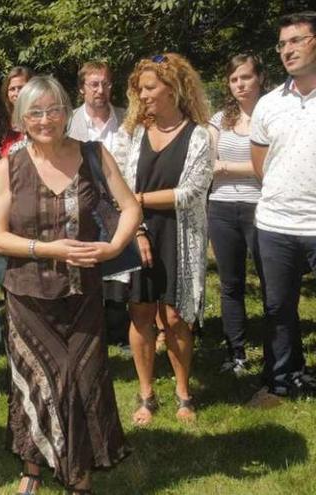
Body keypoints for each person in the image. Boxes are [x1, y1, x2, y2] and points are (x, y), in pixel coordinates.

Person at [0, 75, 137, 495]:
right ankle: (34, 466)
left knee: (82, 380)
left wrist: (112, 249)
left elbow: (130, 208)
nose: (46, 119)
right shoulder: (9, 166)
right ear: (21, 117)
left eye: (54, 109)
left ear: (66, 111)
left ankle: (77, 471)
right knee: (38, 380)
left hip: (83, 293)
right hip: (28, 296)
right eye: (35, 112)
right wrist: (47, 248)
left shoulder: (94, 155)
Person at [117, 53, 212, 425]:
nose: (142, 95)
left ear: (174, 88)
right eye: (139, 89)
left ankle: (183, 392)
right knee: (140, 312)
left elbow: (190, 192)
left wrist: (137, 201)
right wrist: (137, 228)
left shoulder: (199, 135)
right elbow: (122, 186)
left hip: (180, 234)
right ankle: (146, 394)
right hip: (141, 231)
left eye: (150, 87)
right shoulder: (137, 133)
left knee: (175, 317)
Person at [248, 11, 316, 407]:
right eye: (282, 44)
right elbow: (262, 164)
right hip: (275, 224)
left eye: (296, 40)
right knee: (277, 308)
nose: (287, 50)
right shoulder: (269, 104)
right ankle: (280, 381)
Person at [207, 54, 267, 377]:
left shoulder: (270, 114)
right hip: (221, 207)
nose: (240, 85)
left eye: (245, 77)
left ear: (259, 78)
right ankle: (236, 353)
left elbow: (269, 167)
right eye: (233, 79)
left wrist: (227, 167)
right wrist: (250, 169)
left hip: (261, 207)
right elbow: (207, 163)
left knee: (272, 283)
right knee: (231, 285)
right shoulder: (219, 119)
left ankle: (278, 352)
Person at [67, 61, 130, 351]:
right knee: (88, 266)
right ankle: (89, 329)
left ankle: (118, 330)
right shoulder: (69, 123)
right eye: (93, 84)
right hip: (85, 204)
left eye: (105, 83)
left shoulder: (128, 120)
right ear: (82, 89)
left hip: (123, 201)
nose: (100, 90)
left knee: (122, 268)